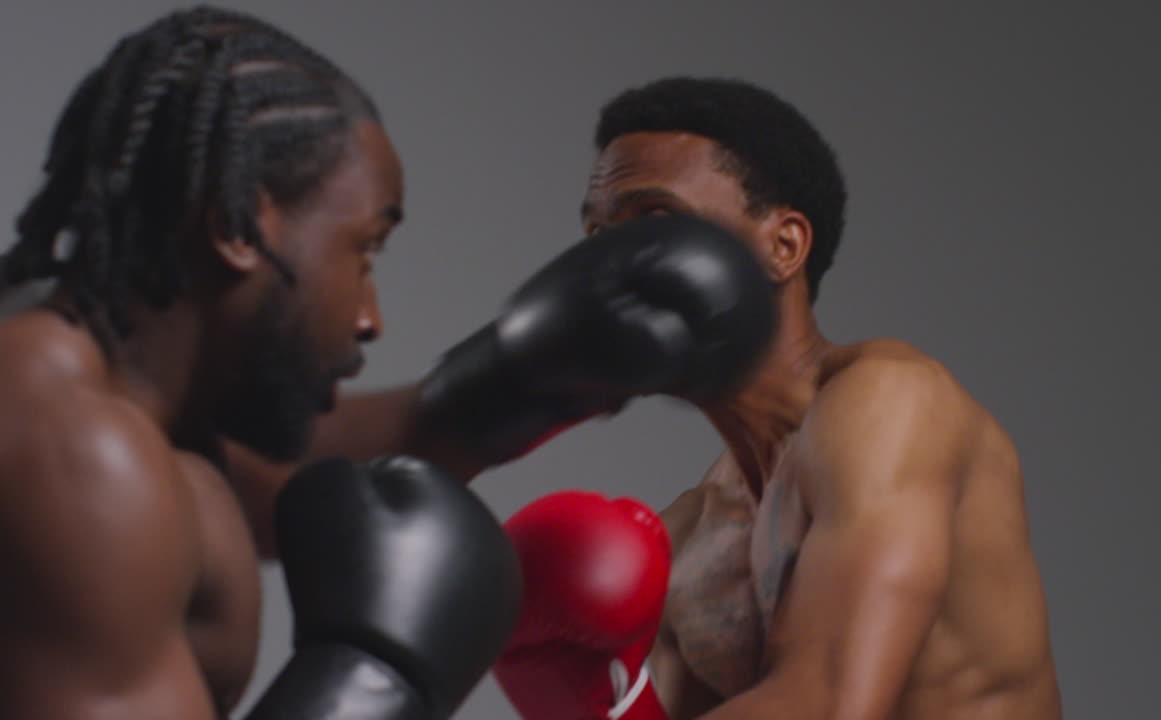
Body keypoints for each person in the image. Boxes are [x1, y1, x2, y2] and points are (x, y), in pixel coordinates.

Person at [0, 7, 777, 717]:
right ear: (238, 226)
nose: (371, 317)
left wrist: (512, 383)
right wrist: (376, 681)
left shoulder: (127, 391)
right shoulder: (77, 453)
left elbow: (277, 485)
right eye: (363, 249)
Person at [489, 77, 1065, 719]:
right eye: (596, 238)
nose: (607, 266)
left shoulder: (891, 406)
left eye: (655, 221)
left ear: (782, 246)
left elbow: (826, 706)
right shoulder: (687, 537)